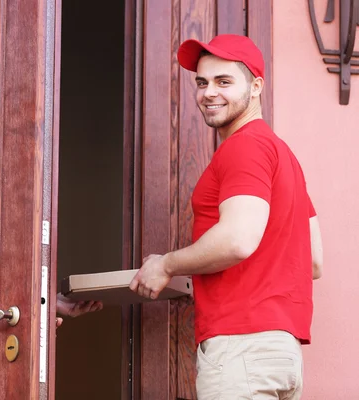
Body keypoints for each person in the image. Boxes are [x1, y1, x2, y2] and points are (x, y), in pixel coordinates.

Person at [129, 34, 323, 399]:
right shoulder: (283, 157)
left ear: (256, 87)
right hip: (281, 354)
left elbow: (236, 240)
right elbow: (313, 260)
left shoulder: (245, 147)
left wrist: (168, 264)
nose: (208, 93)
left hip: (242, 351)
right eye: (202, 82)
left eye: (224, 81)